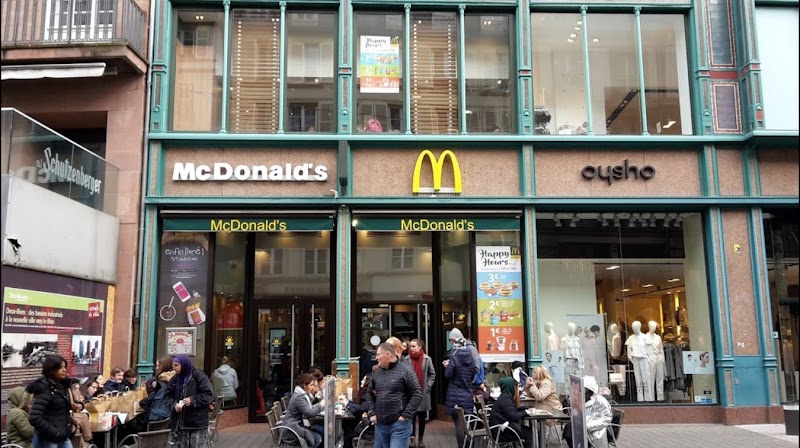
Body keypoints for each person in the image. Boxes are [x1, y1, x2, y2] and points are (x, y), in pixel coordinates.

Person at [363, 342, 422, 448]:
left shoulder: (406, 370)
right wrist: (372, 413)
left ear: (388, 355)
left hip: (399, 424)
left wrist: (405, 415)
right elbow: (369, 393)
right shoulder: (378, 373)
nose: (376, 358)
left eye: (379, 354)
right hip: (381, 424)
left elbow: (417, 393)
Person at [26, 355, 75, 448]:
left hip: (63, 435)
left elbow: (59, 409)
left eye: (65, 367)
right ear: (52, 369)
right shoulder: (44, 388)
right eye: (60, 368)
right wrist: (55, 432)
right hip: (49, 438)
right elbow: (35, 417)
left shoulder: (62, 386)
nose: (64, 370)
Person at [167, 354, 215, 448]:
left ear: (184, 365)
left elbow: (208, 395)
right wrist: (174, 405)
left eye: (176, 365)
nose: (174, 368)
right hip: (180, 424)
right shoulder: (175, 379)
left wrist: (192, 400)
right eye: (173, 365)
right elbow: (167, 396)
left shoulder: (198, 376)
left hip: (196, 424)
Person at [443, 328, 478, 448]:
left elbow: (448, 375)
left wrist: (447, 366)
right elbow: (473, 373)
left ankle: (462, 446)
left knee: (458, 422)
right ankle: (470, 445)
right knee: (466, 422)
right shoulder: (471, 358)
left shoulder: (455, 357)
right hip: (467, 393)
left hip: (455, 393)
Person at [563, 376, 612, 448]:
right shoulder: (583, 397)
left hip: (595, 429)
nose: (581, 390)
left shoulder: (600, 400)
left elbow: (606, 418)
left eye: (583, 388)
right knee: (569, 429)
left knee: (572, 430)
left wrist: (588, 426)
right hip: (582, 425)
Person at [405, 339, 436, 448]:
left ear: (420, 347)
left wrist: (427, 387)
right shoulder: (406, 359)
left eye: (413, 346)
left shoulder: (427, 359)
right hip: (410, 393)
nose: (411, 348)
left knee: (421, 418)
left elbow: (432, 374)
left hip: (422, 393)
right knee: (411, 417)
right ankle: (412, 439)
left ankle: (421, 439)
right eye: (410, 347)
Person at [282, 373, 326, 448]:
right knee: (318, 437)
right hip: (292, 429)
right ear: (304, 386)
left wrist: (318, 405)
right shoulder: (299, 397)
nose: (313, 387)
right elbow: (310, 413)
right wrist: (322, 404)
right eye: (311, 385)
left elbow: (309, 409)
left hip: (298, 425)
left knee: (322, 431)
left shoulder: (301, 395)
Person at [488, 377, 534, 448]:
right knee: (529, 433)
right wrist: (526, 412)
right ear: (510, 387)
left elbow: (511, 411)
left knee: (527, 430)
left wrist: (523, 409)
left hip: (499, 429)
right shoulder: (506, 400)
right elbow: (513, 416)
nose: (517, 389)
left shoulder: (505, 397)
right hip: (502, 432)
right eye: (516, 387)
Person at [339, 373, 374, 448]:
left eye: (364, 380)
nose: (361, 381)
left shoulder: (368, 395)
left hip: (362, 424)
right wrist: (347, 402)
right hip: (360, 420)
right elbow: (358, 404)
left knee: (347, 427)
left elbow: (362, 407)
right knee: (345, 423)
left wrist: (347, 403)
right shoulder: (364, 393)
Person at [140, 355, 176, 423]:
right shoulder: (174, 379)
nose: (156, 368)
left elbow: (154, 397)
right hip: (169, 416)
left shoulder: (162, 381)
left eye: (158, 366)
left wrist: (142, 403)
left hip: (159, 417)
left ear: (165, 366)